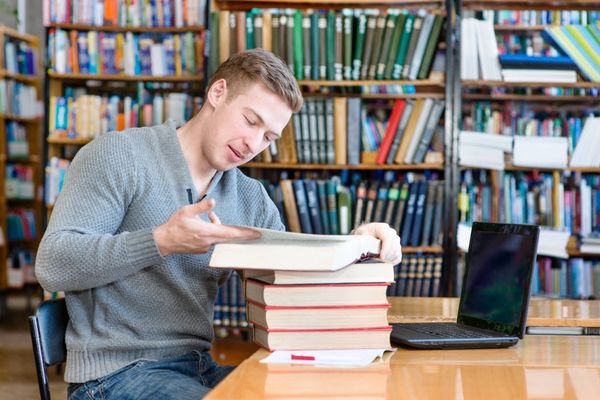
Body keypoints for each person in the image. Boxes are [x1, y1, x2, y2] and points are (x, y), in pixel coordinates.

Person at [35, 48, 402, 400]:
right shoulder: (119, 155)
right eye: (251, 121)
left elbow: (298, 272)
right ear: (217, 92)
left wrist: (358, 246)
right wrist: (162, 240)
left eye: (268, 137)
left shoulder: (249, 196)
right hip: (115, 376)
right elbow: (53, 264)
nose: (253, 144)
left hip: (197, 368)